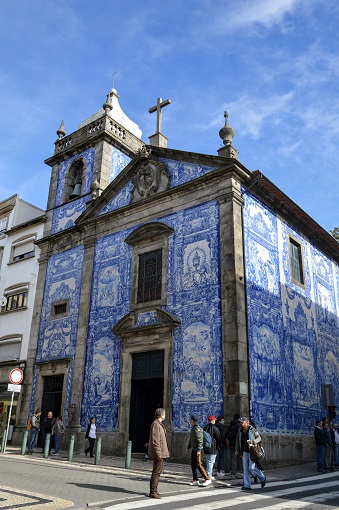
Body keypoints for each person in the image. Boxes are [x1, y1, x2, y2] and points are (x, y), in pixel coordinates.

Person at [235, 416, 266, 491]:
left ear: (247, 422)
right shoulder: (240, 430)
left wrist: (253, 441)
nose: (241, 424)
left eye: (242, 422)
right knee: (245, 469)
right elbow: (238, 440)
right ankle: (247, 485)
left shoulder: (252, 429)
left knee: (251, 468)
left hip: (252, 451)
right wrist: (237, 450)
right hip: (244, 451)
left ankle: (262, 478)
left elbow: (259, 438)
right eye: (240, 422)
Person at [148, 408, 170, 499]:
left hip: (161, 452)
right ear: (161, 415)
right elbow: (156, 440)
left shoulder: (159, 424)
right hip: (159, 453)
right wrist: (158, 453)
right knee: (156, 472)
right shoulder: (156, 424)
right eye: (164, 414)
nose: (165, 415)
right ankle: (153, 491)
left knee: (157, 472)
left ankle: (155, 490)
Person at [187, 415, 211, 487]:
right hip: (194, 449)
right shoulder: (193, 429)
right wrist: (188, 447)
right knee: (193, 465)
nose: (190, 421)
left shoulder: (197, 429)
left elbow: (200, 441)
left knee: (199, 465)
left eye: (190, 420)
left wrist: (199, 450)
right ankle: (195, 479)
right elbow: (191, 440)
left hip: (198, 450)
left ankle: (207, 478)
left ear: (192, 421)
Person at [203, 416, 221, 480]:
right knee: (211, 461)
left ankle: (208, 472)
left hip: (205, 447)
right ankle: (209, 474)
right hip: (213, 447)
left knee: (207, 460)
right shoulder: (215, 428)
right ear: (213, 421)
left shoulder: (204, 428)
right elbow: (218, 438)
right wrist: (219, 446)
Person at [226, 413, 242, 478]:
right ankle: (240, 471)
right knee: (240, 457)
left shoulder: (230, 425)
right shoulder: (239, 426)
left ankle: (233, 471)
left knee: (233, 457)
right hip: (237, 444)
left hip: (231, 444)